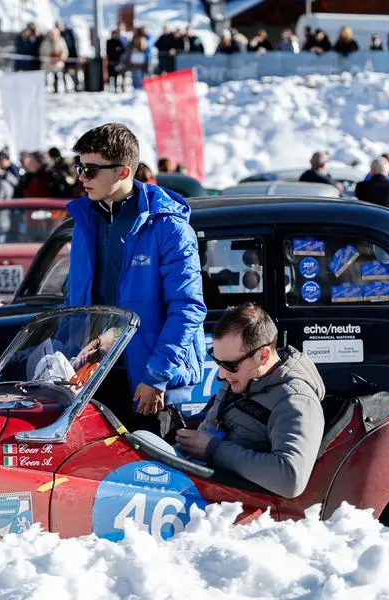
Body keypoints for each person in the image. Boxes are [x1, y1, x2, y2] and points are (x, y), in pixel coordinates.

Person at [66, 123, 206, 431]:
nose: (82, 178)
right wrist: (67, 357)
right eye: (80, 168)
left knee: (151, 477)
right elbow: (75, 299)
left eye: (91, 170)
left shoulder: (168, 227)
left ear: (123, 172)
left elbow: (187, 308)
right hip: (95, 379)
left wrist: (156, 375)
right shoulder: (85, 222)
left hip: (150, 386)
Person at [175, 303, 325, 498]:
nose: (221, 374)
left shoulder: (295, 400)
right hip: (199, 479)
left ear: (262, 356)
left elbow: (290, 478)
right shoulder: (241, 378)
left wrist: (214, 449)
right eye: (218, 362)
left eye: (229, 365)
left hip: (233, 501)